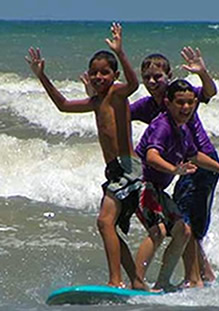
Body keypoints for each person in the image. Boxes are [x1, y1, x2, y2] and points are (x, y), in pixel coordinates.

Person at [25, 23, 146, 289]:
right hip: (114, 170)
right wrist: (41, 76)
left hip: (128, 167)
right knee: (109, 227)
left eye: (104, 72)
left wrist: (121, 52)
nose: (98, 77)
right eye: (94, 73)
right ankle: (137, 283)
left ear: (114, 75)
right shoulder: (95, 102)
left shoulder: (116, 94)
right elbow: (63, 105)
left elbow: (134, 83)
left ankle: (116, 281)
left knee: (104, 222)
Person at [134, 78, 219, 290]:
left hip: (157, 190)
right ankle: (137, 282)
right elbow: (151, 156)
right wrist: (173, 169)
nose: (186, 107)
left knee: (184, 231)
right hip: (142, 186)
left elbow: (194, 155)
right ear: (168, 103)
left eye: (190, 102)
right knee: (158, 231)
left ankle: (162, 283)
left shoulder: (182, 129)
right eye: (180, 102)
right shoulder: (162, 126)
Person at [130, 49, 219, 287]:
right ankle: (204, 275)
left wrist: (202, 73)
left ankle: (195, 278)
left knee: (186, 222)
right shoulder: (147, 106)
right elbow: (119, 115)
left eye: (157, 76)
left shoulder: (182, 96)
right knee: (184, 224)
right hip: (180, 165)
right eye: (147, 77)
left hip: (201, 162)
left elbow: (209, 93)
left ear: (168, 75)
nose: (151, 82)